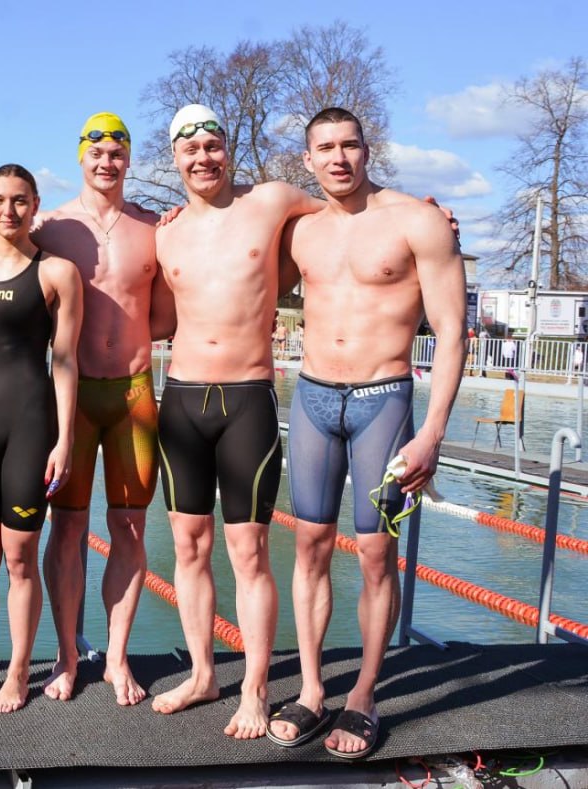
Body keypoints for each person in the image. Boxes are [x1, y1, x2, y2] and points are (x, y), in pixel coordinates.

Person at [269, 107, 464, 759]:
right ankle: (312, 688)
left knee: (376, 552)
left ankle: (363, 696)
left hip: (384, 401)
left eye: (349, 145)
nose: (338, 158)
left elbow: (453, 331)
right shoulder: (300, 231)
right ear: (308, 160)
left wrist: (431, 432)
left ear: (367, 149)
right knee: (309, 546)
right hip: (314, 399)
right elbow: (234, 255)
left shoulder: (418, 222)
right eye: (325, 148)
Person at [152, 104, 323, 738]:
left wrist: (419, 211)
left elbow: (347, 208)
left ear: (228, 149)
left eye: (212, 146)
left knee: (248, 551)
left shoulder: (271, 201)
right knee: (188, 546)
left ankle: (255, 689)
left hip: (247, 399)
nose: (203, 158)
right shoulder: (165, 233)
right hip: (181, 400)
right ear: (175, 159)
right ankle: (203, 674)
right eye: (190, 150)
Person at [31, 111, 171, 707]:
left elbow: (166, 313)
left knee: (130, 528)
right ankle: (67, 655)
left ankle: (116, 657)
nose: (107, 161)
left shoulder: (155, 227)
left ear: (129, 159)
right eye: (97, 152)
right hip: (74, 397)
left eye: (117, 153)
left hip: (134, 393)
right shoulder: (50, 227)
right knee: (66, 528)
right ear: (80, 157)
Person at [0, 164, 82, 713]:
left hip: (30, 425)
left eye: (20, 200)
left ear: (35, 205)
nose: (9, 210)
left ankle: (20, 672)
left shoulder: (57, 272)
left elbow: (66, 361)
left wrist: (64, 440)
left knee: (20, 556)